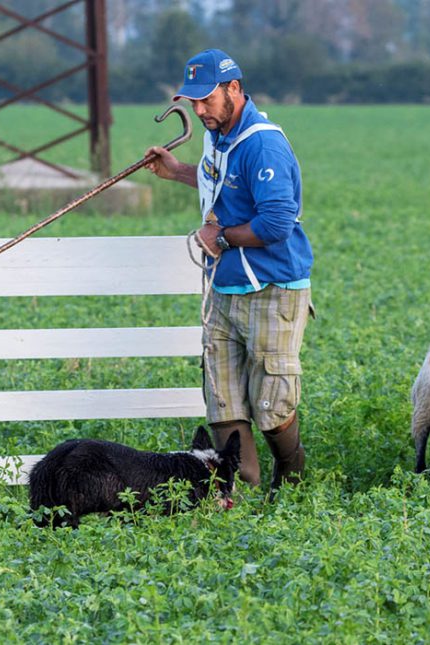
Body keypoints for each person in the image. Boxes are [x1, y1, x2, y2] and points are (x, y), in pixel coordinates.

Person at [144, 49, 313, 494]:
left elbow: (277, 223)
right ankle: (242, 492)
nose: (198, 111)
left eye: (206, 100)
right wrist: (177, 171)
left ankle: (292, 484)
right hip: (225, 285)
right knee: (222, 396)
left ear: (234, 89)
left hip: (272, 286)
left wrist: (219, 238)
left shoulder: (262, 143)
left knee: (273, 403)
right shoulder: (217, 135)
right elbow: (220, 183)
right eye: (192, 102)